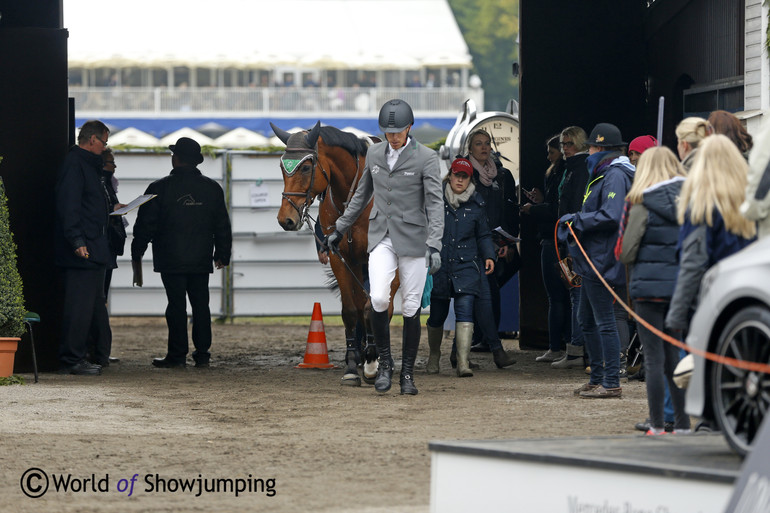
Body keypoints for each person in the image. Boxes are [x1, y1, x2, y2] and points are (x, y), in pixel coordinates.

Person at [324, 99, 444, 395]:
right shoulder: (374, 153)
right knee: (378, 298)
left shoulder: (426, 158)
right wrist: (339, 227)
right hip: (382, 237)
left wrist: (435, 244)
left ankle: (407, 376)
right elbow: (361, 194)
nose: (393, 137)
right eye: (389, 132)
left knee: (412, 307)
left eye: (398, 132)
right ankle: (385, 365)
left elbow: (435, 203)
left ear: (409, 128)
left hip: (414, 239)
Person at [131, 137, 232, 368]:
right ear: (196, 161)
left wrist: (138, 250)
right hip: (200, 258)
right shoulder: (212, 188)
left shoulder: (158, 188)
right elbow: (222, 224)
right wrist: (222, 254)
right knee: (201, 305)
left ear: (175, 159)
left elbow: (146, 224)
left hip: (170, 258)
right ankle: (203, 354)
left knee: (175, 305)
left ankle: (176, 356)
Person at [559, 123, 634, 398]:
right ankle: (599, 376)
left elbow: (612, 215)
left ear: (599, 149)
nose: (587, 151)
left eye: (590, 147)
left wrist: (577, 220)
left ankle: (611, 380)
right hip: (593, 257)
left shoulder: (614, 175)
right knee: (586, 319)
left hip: (603, 258)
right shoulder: (606, 173)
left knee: (603, 320)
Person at [618, 146, 690, 435]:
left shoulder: (642, 204)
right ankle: (683, 424)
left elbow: (626, 251)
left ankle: (658, 423)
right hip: (679, 288)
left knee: (654, 358)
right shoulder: (691, 201)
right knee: (675, 356)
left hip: (648, 289)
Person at [665, 134, 756, 334]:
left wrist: (676, 313)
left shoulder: (702, 208)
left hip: (710, 304)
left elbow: (693, 263)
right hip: (750, 301)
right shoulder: (753, 207)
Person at [425, 158, 496, 377]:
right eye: (457, 175)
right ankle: (434, 356)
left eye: (464, 177)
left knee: (465, 311)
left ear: (469, 179)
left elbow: (483, 234)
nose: (460, 180)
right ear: (450, 175)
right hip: (440, 265)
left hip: (467, 264)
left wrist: (489, 255)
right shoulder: (435, 200)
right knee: (437, 315)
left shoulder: (477, 203)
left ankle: (463, 362)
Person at [54, 120, 113, 375]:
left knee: (89, 306)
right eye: (104, 142)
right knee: (78, 307)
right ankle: (71, 359)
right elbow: (69, 206)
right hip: (84, 249)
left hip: (93, 246)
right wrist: (77, 241)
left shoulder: (87, 166)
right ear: (92, 140)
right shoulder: (76, 164)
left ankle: (82, 355)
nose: (105, 147)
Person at [462, 128, 519, 356]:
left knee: (491, 288)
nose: (484, 148)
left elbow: (509, 209)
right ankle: (472, 340)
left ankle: (489, 338)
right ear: (470, 148)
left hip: (494, 240)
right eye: (478, 144)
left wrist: (507, 239)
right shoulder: (462, 172)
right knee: (468, 291)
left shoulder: (503, 175)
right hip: (467, 239)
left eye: (487, 143)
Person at [521, 135, 570, 363]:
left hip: (554, 241)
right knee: (565, 296)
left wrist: (534, 208)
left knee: (558, 296)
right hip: (557, 240)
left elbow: (555, 210)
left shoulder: (563, 173)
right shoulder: (558, 174)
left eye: (552, 152)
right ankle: (566, 346)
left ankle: (558, 346)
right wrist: (540, 201)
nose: (549, 157)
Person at [550, 126, 589, 369]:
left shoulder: (580, 170)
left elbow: (576, 206)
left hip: (574, 238)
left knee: (578, 295)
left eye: (569, 144)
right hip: (568, 237)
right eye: (563, 144)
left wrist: (572, 239)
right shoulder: (571, 169)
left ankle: (577, 351)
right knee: (575, 295)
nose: (564, 148)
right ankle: (576, 349)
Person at [87, 148, 126, 365]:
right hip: (103, 248)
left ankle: (99, 350)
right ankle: (98, 351)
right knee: (99, 299)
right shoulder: (102, 184)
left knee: (100, 299)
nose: (114, 166)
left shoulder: (105, 184)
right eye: (111, 162)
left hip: (106, 248)